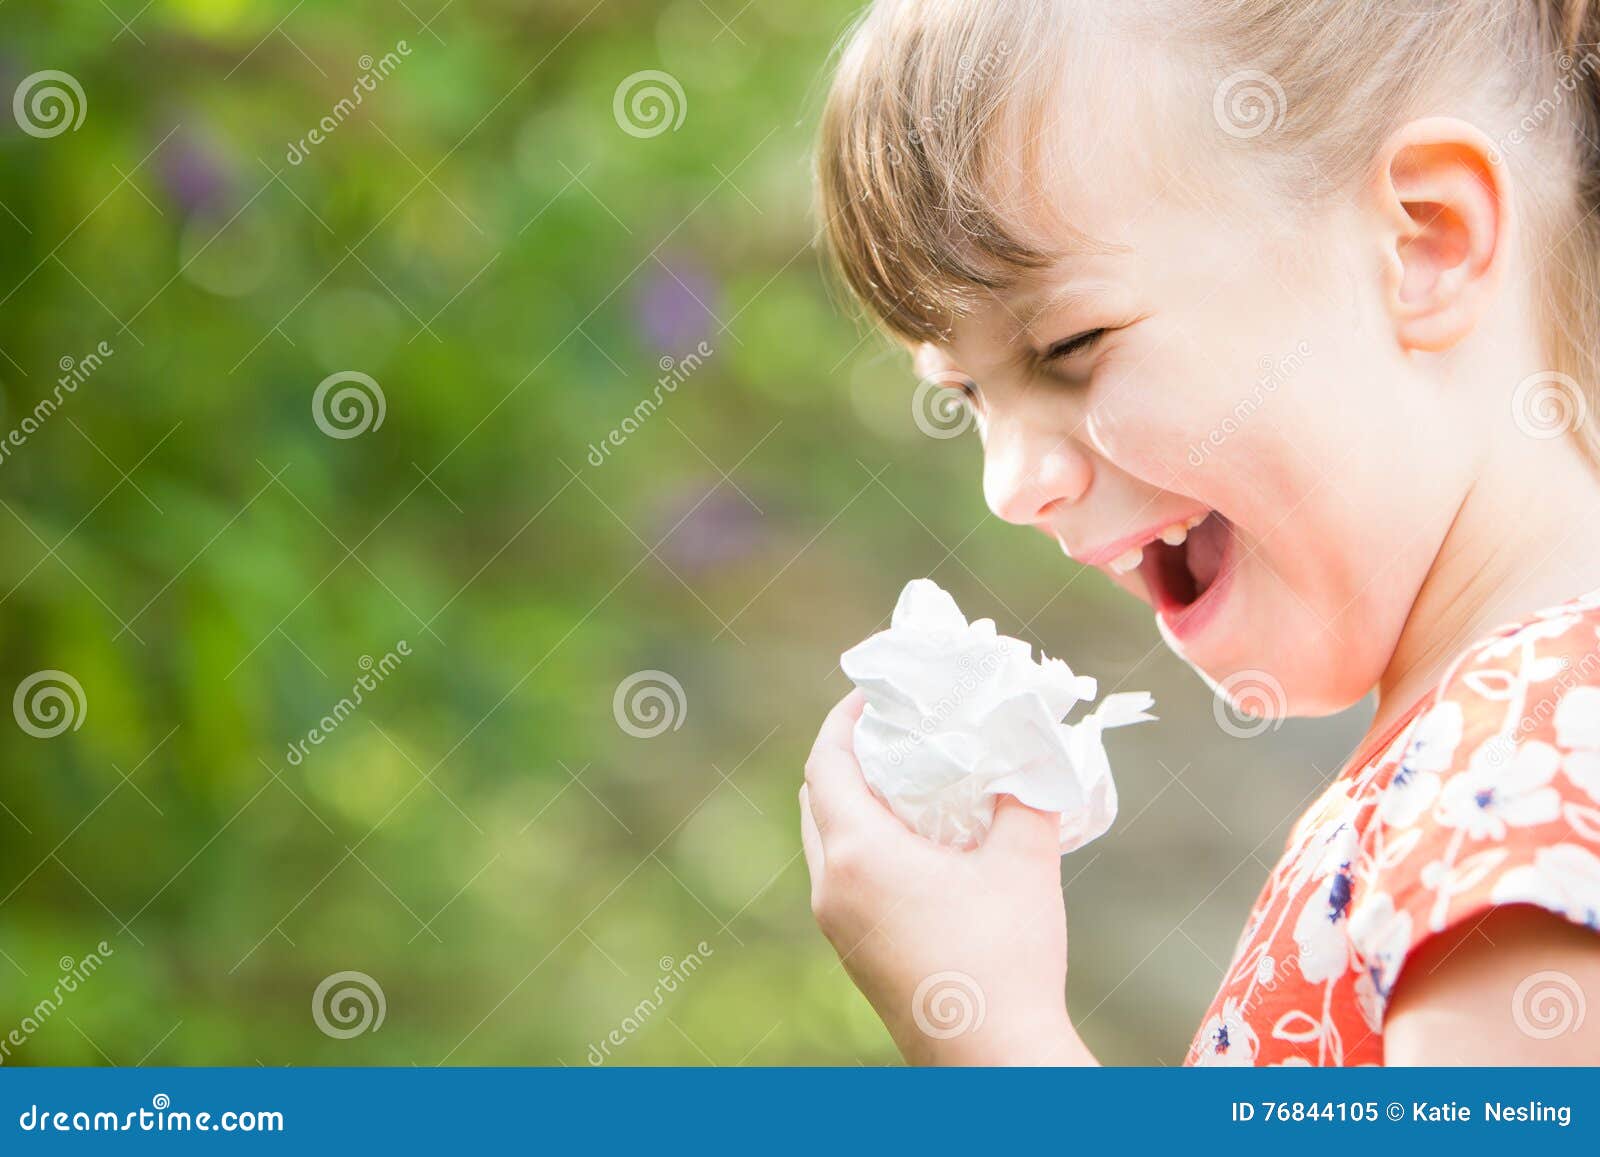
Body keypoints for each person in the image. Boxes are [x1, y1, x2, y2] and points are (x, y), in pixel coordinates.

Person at [800, 0, 1600, 1065]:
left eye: (1068, 344)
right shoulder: (1482, 752)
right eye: (964, 395)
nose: (1009, 484)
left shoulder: (1520, 770)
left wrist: (989, 1032)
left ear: (1424, 241)